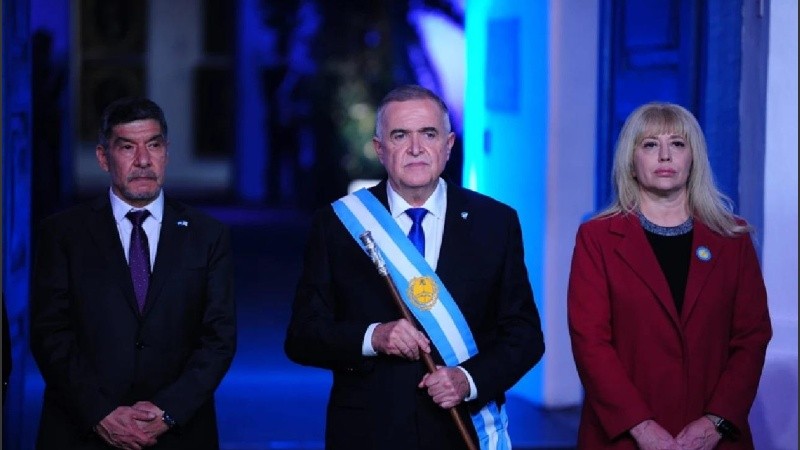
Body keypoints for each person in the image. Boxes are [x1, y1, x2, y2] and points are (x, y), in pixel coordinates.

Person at [284, 84, 545, 450]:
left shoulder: (495, 222)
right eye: (400, 135)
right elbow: (302, 337)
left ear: (449, 144)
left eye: (429, 134)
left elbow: (524, 336)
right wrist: (373, 337)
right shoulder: (337, 224)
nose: (416, 148)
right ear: (379, 149)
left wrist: (467, 380)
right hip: (368, 433)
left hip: (461, 430)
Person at [30, 97, 237, 449]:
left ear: (166, 152)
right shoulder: (63, 234)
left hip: (179, 432)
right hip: (82, 430)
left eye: (153, 146)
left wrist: (168, 412)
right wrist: (101, 413)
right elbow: (50, 334)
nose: (143, 161)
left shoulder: (208, 235)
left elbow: (219, 338)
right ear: (102, 157)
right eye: (127, 147)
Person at [567, 102, 771, 449]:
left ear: (694, 159)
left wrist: (716, 421)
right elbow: (591, 343)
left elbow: (752, 337)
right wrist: (642, 427)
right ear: (632, 161)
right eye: (650, 145)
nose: (665, 156)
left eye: (677, 143)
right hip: (625, 437)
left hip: (713, 438)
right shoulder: (596, 238)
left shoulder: (731, 239)